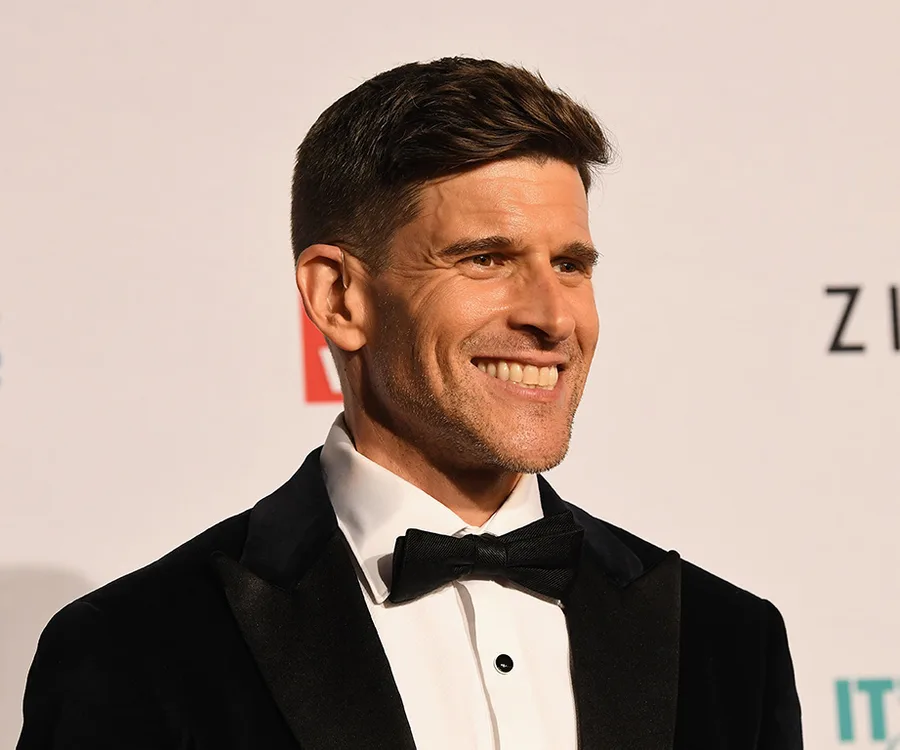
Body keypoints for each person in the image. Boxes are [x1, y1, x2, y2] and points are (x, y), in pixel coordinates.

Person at [18, 57, 803, 749]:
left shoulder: (728, 642)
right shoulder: (138, 649)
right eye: (487, 258)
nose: (553, 317)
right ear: (340, 296)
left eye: (570, 264)